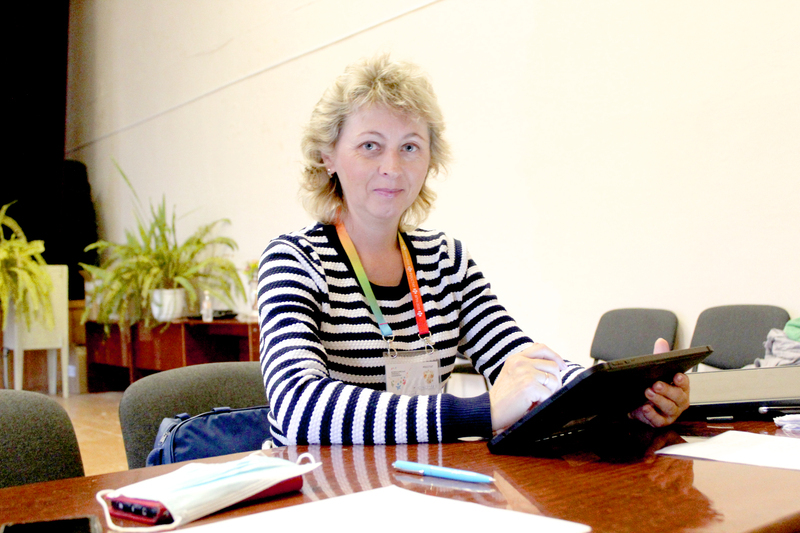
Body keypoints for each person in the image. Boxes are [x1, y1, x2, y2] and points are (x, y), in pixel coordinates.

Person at [257, 55, 690, 446]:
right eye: (370, 146)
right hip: (325, 494)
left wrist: (627, 398)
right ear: (328, 156)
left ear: (430, 160)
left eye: (410, 147)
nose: (392, 167)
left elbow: (520, 362)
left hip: (425, 484)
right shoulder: (293, 261)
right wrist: (480, 412)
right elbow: (296, 406)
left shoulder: (445, 262)